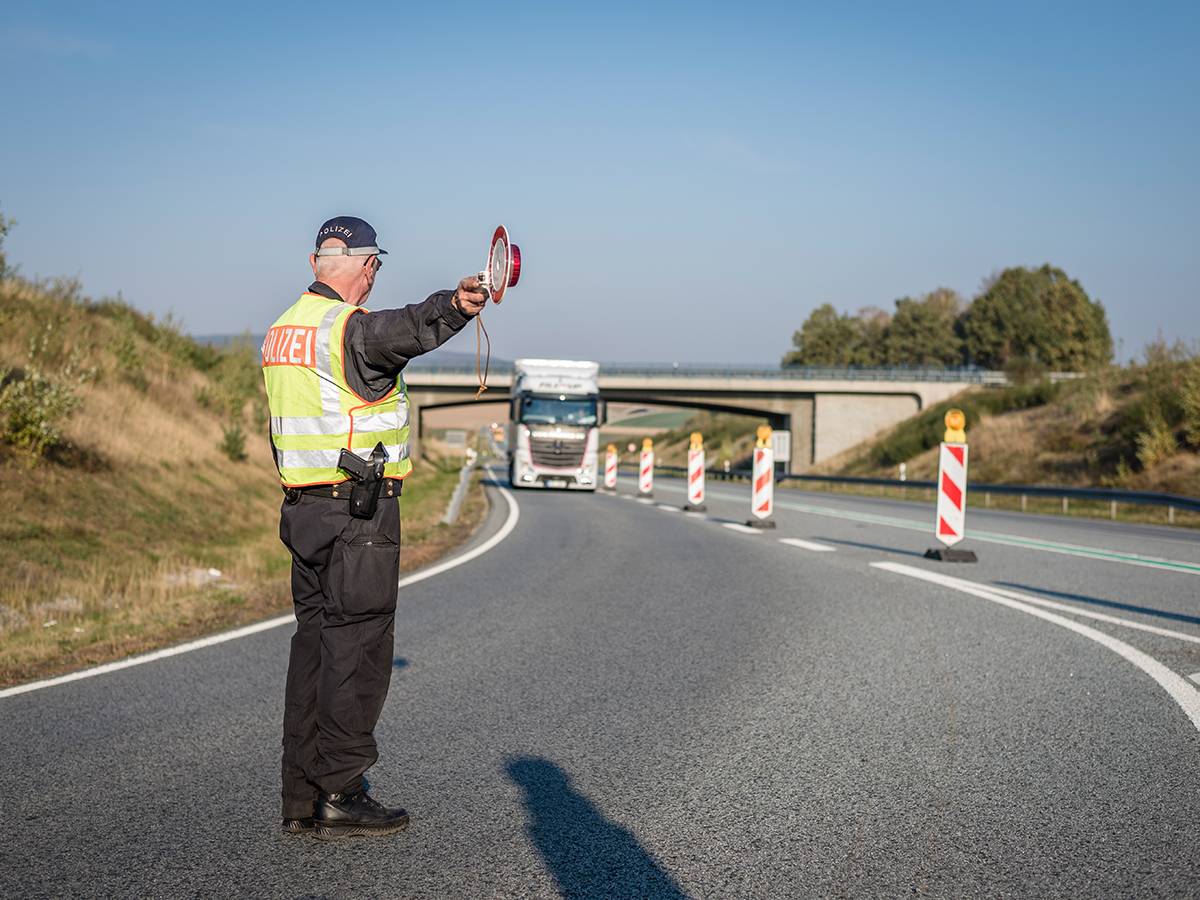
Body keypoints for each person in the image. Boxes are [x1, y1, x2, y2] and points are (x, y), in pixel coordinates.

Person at [262, 216, 488, 840]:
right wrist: (458, 304)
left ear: (316, 264)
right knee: (356, 645)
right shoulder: (348, 330)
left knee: (313, 645)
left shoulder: (283, 331)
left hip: (303, 509)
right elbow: (405, 329)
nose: (374, 277)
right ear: (363, 264)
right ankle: (342, 790)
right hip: (357, 512)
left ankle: (301, 796)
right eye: (375, 266)